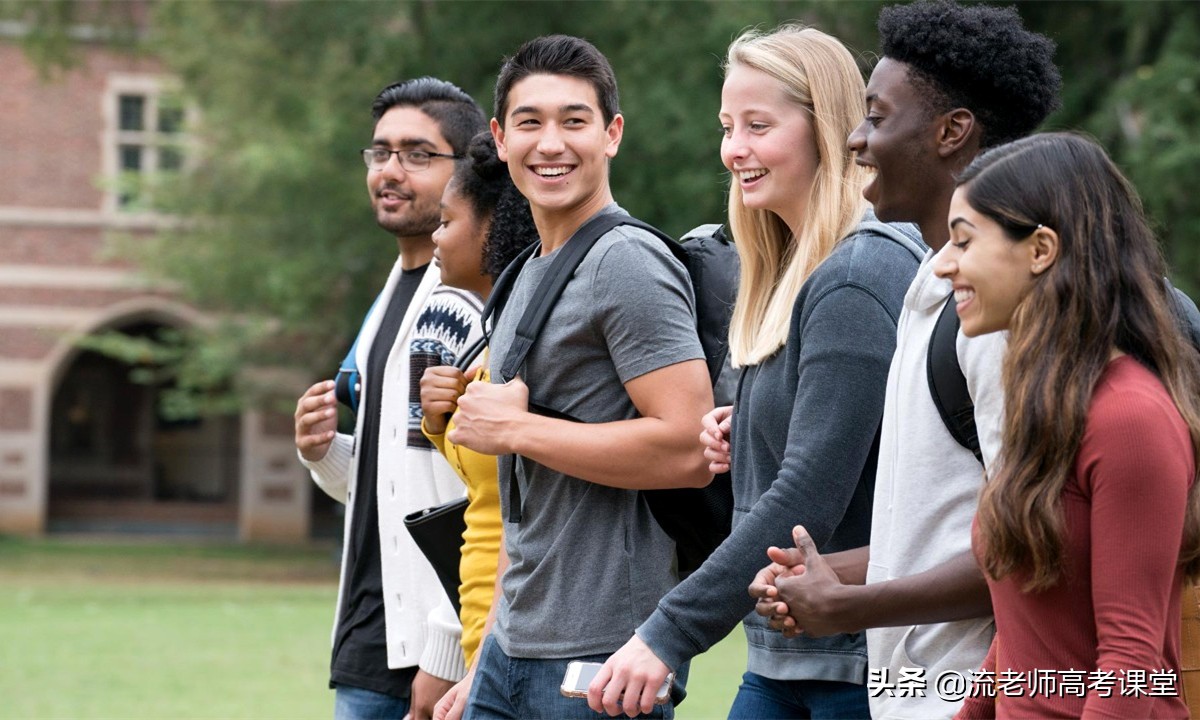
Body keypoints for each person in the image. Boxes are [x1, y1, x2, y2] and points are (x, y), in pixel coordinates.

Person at [592, 25, 923, 719]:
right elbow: (844, 437)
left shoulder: (858, 276)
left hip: (860, 669)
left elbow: (809, 491)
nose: (732, 149)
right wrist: (751, 430)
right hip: (788, 658)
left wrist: (668, 631)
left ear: (826, 131)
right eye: (727, 126)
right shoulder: (791, 276)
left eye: (758, 125)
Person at [747, 4, 1061, 717]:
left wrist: (851, 605)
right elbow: (956, 529)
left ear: (952, 132)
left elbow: (1036, 547)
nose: (856, 140)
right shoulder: (931, 283)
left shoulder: (1000, 316)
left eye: (878, 118)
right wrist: (839, 574)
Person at [442, 34, 714, 720]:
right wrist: (483, 660)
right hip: (512, 646)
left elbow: (688, 450)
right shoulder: (525, 272)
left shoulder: (626, 264)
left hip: (601, 659)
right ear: (501, 140)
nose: (551, 143)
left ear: (612, 134)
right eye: (530, 123)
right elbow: (521, 495)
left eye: (574, 120)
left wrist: (517, 427)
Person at [935, 132, 1199, 718]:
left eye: (963, 241)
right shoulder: (1046, 405)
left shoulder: (1129, 417)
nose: (942, 265)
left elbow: (1132, 666)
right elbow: (1026, 639)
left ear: (1040, 250)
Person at [292, 78, 487, 720]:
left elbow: (477, 488)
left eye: (418, 154)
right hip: (370, 636)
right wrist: (324, 454)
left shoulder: (459, 301)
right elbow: (397, 478)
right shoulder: (388, 298)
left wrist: (444, 647)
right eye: (380, 153)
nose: (391, 171)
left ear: (468, 169)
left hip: (428, 654)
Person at [419, 131, 538, 671]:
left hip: (515, 640)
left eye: (446, 221)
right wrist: (440, 421)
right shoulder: (493, 337)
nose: (435, 238)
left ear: (491, 227)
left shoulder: (534, 340)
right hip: (479, 642)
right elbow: (487, 485)